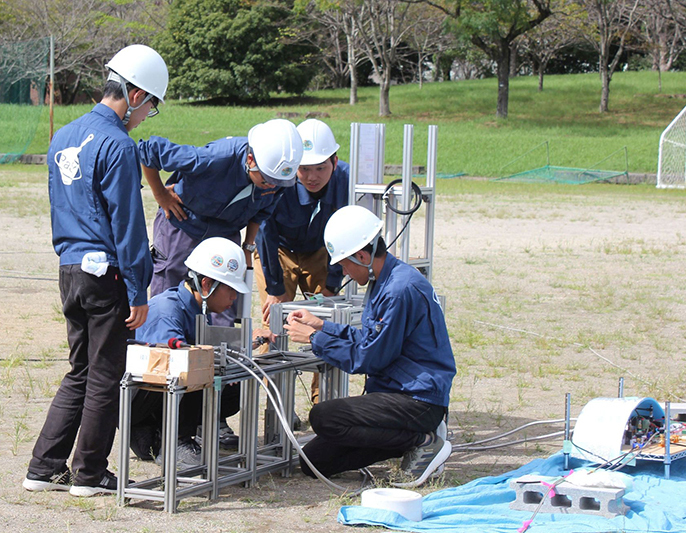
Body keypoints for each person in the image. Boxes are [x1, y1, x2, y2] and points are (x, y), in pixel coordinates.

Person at [22, 44, 168, 497]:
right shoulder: (118, 144)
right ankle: (89, 473)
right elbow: (126, 223)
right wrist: (140, 287)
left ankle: (43, 468)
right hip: (105, 272)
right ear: (137, 93)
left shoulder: (63, 135)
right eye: (152, 107)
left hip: (69, 268)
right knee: (106, 372)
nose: (147, 116)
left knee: (80, 370)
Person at [284, 205, 455, 487]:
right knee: (313, 462)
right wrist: (322, 325)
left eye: (343, 264)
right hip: (396, 393)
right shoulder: (383, 281)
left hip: (418, 398)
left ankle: (423, 439)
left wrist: (315, 340)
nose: (344, 271)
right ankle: (410, 439)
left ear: (362, 256)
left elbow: (369, 358)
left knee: (324, 416)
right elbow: (370, 339)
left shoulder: (400, 289)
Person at [129, 237, 269, 466]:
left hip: (158, 402)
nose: (234, 298)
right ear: (206, 284)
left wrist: (246, 345)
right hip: (141, 409)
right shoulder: (167, 311)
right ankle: (177, 442)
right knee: (192, 367)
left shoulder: (195, 308)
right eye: (231, 290)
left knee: (233, 386)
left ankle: (186, 433)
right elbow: (173, 368)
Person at [138, 119, 304, 310]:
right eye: (267, 180)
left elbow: (262, 212)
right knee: (169, 299)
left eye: (279, 182)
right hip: (183, 224)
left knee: (222, 304)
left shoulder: (278, 179)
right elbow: (149, 150)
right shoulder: (215, 158)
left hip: (226, 233)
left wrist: (248, 247)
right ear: (251, 160)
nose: (273, 186)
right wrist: (160, 194)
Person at [254, 119, 349, 402]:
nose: (312, 176)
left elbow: (344, 235)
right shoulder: (279, 178)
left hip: (322, 250)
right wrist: (274, 288)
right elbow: (265, 232)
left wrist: (332, 282)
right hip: (278, 250)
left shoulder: (345, 181)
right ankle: (277, 405)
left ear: (335, 160)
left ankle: (323, 400)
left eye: (321, 167)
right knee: (276, 322)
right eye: (305, 168)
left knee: (324, 322)